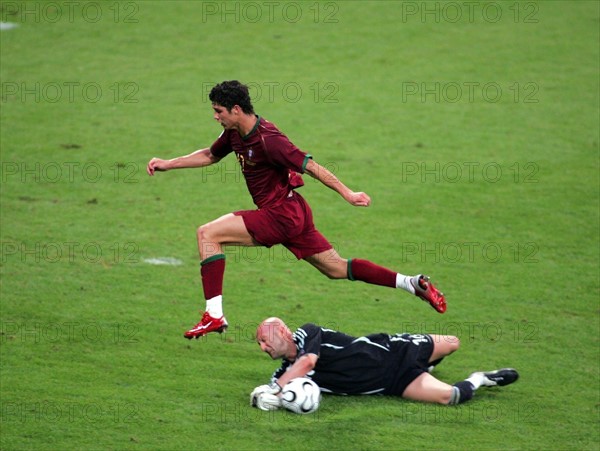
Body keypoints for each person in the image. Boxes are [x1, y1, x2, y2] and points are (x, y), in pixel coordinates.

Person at [146, 80, 446, 340]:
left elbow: (312, 167)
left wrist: (348, 194)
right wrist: (168, 163)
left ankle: (215, 314)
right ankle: (410, 283)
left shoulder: (270, 140)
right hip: (294, 212)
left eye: (218, 111)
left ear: (236, 109)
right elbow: (211, 155)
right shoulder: (236, 133)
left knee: (208, 234)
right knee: (336, 268)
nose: (215, 117)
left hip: (280, 215)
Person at [251, 317, 518, 410]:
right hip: (394, 381)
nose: (263, 347)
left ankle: (427, 365)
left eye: (265, 340)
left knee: (453, 342)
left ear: (283, 332)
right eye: (260, 344)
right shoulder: (284, 375)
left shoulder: (308, 333)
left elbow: (308, 362)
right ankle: (482, 378)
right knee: (451, 396)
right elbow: (271, 392)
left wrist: (277, 387)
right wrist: (265, 396)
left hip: (393, 348)